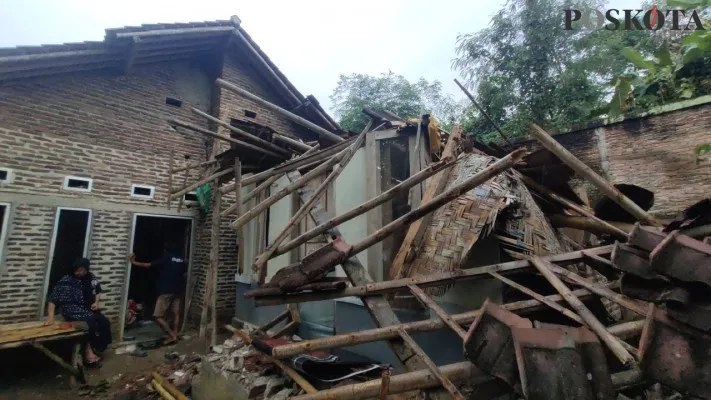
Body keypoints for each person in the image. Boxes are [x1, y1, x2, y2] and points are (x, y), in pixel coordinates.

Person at [44, 258, 112, 365]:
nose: (80, 273)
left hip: (87, 308)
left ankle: (97, 348)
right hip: (72, 310)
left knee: (103, 321)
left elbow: (98, 291)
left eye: (83, 270)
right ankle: (88, 353)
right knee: (90, 321)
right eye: (78, 270)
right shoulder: (66, 281)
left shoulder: (90, 277)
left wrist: (96, 302)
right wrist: (50, 318)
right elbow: (53, 300)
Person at [129, 243, 186, 345]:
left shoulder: (166, 258)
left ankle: (172, 336)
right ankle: (176, 333)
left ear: (166, 250)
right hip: (178, 291)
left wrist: (134, 262)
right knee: (176, 313)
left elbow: (148, 265)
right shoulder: (181, 260)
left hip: (166, 291)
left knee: (157, 316)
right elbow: (184, 273)